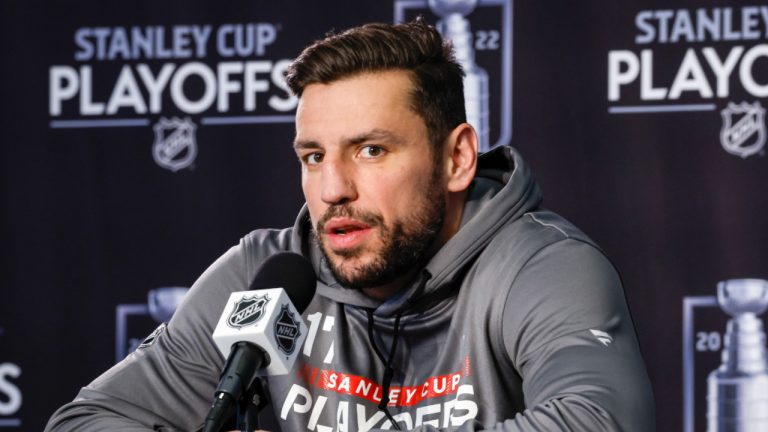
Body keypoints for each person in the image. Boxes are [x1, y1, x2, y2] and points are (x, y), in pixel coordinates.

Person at [46, 19, 655, 431]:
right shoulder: (266, 275)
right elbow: (87, 420)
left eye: (370, 150)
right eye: (313, 156)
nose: (333, 189)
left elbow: (597, 417)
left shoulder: (539, 265)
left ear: (457, 159)